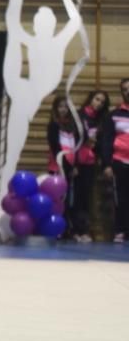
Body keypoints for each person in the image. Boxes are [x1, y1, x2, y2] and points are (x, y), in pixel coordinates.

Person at [0, 0, 82, 210]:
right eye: (37, 22)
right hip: (24, 91)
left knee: (14, 33)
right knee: (13, 34)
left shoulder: (57, 43)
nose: (40, 26)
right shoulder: (31, 41)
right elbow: (12, 20)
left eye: (45, 22)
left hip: (35, 89)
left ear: (51, 26)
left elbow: (75, 23)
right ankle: (1, 200)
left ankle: (3, 193)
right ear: (35, 25)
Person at [71, 90, 110, 242]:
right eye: (97, 99)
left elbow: (102, 143)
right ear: (90, 98)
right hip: (77, 161)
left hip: (90, 163)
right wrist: (73, 163)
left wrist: (96, 145)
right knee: (75, 198)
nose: (98, 103)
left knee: (86, 198)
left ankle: (84, 230)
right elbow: (73, 140)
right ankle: (74, 230)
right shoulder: (79, 116)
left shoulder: (101, 120)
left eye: (102, 102)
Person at [99, 78, 129, 244]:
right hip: (120, 163)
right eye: (125, 89)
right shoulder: (114, 115)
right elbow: (106, 141)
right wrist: (107, 165)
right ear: (122, 93)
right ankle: (120, 230)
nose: (128, 91)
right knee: (121, 199)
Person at [46, 96, 80, 239]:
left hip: (72, 167)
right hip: (58, 166)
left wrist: (75, 165)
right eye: (60, 106)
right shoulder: (53, 125)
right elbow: (55, 147)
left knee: (69, 200)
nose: (63, 109)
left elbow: (77, 147)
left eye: (66, 107)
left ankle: (66, 228)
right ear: (55, 108)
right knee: (57, 198)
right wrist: (65, 166)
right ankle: (56, 227)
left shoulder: (73, 126)